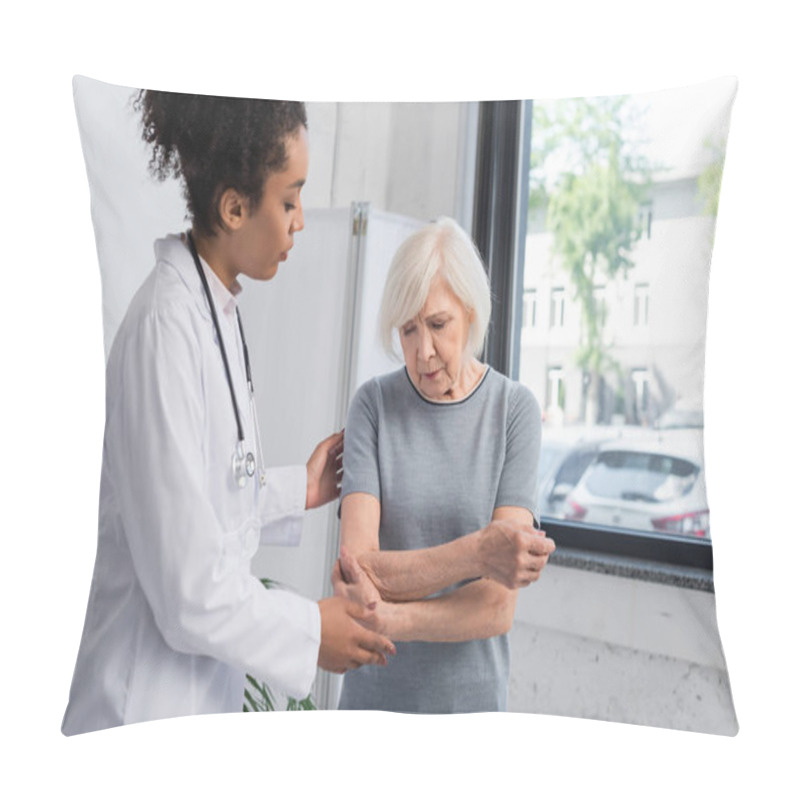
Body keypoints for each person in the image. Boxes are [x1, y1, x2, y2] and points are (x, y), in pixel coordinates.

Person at [62, 90, 395, 736]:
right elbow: (189, 586)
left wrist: (298, 486)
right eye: (290, 199)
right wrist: (311, 631)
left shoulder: (215, 312)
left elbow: (205, 495)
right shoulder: (167, 327)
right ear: (235, 207)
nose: (300, 221)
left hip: (189, 704)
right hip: (138, 708)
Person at [334, 217, 555, 713]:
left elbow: (496, 607)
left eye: (437, 324)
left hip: (470, 707)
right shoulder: (373, 405)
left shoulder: (514, 411)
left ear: (470, 313)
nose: (422, 351)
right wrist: (480, 552)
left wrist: (391, 619)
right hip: (373, 704)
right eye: (408, 330)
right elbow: (360, 566)